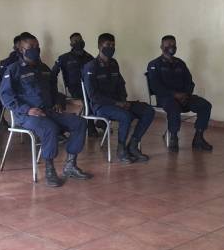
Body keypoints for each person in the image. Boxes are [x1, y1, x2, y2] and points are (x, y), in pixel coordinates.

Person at [0, 33, 91, 187]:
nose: (35, 49)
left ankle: (70, 165)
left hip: (48, 111)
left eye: (37, 46)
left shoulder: (44, 69)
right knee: (50, 128)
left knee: (79, 122)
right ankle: (50, 170)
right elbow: (5, 96)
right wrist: (27, 110)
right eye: (30, 47)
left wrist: (58, 102)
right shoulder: (13, 69)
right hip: (26, 115)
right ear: (21, 49)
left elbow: (54, 91)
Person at [83, 33, 154, 164]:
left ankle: (133, 145)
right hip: (101, 106)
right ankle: (121, 150)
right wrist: (117, 103)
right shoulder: (90, 67)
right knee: (125, 116)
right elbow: (94, 96)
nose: (111, 47)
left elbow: (121, 85)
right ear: (99, 46)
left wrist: (123, 101)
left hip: (118, 103)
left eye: (113, 45)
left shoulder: (114, 64)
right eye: (108, 45)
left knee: (148, 110)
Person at [147, 35, 213, 152]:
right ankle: (173, 137)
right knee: (174, 106)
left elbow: (189, 82)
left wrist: (186, 94)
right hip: (165, 98)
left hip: (184, 97)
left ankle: (198, 138)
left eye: (174, 44)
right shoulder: (154, 64)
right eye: (168, 44)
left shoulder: (180, 63)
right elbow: (156, 87)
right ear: (161, 47)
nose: (171, 47)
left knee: (205, 105)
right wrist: (174, 95)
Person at [53, 32, 98, 136]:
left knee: (98, 94)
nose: (78, 42)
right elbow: (53, 73)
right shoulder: (64, 58)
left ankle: (100, 120)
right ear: (71, 44)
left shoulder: (89, 57)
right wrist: (55, 89)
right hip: (74, 88)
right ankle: (91, 126)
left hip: (88, 87)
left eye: (80, 40)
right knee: (89, 97)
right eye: (75, 41)